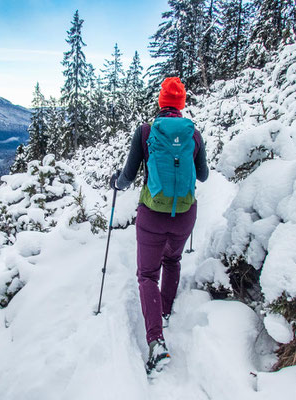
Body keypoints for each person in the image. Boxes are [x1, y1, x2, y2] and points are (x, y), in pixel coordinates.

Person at [110, 77, 209, 375]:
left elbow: (127, 177)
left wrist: (116, 182)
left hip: (152, 215)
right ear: (181, 105)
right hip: (184, 216)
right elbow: (203, 176)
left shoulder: (145, 133)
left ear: (160, 102)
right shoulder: (195, 136)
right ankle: (164, 311)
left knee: (147, 275)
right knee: (173, 260)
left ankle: (156, 342)